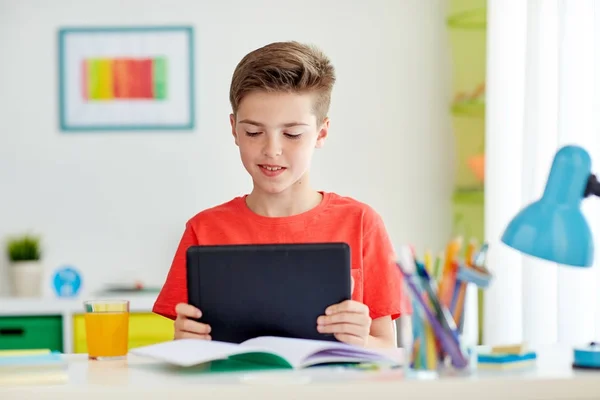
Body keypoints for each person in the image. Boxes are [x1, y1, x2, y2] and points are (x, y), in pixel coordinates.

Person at [152, 41, 412, 349]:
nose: (272, 150)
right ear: (234, 129)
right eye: (253, 132)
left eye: (292, 134)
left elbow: (388, 346)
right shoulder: (203, 230)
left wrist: (361, 340)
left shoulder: (361, 223)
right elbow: (186, 346)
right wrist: (185, 340)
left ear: (321, 133)